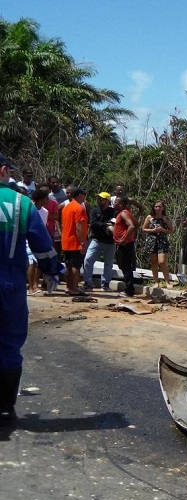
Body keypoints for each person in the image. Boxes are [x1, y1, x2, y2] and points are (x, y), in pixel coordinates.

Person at [0, 152, 58, 425]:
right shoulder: (21, 204)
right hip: (9, 282)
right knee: (9, 344)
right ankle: (4, 407)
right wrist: (52, 272)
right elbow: (43, 248)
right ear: (3, 171)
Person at [82, 192, 116, 291]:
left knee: (108, 263)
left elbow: (114, 223)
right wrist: (106, 225)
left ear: (107, 201)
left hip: (110, 242)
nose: (99, 200)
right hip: (96, 240)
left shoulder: (113, 211)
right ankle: (88, 282)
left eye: (101, 199)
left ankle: (105, 283)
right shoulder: (94, 210)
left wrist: (102, 224)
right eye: (98, 198)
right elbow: (93, 224)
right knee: (88, 260)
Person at [61, 186, 88, 295]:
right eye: (84, 196)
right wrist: (82, 242)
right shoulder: (79, 208)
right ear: (80, 195)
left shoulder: (66, 207)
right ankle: (75, 289)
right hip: (75, 241)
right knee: (76, 266)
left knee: (68, 265)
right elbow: (79, 227)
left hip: (66, 240)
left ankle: (68, 287)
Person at [142, 200, 175, 289]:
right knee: (153, 262)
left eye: (159, 207)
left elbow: (171, 230)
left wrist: (162, 230)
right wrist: (153, 230)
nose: (157, 208)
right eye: (156, 206)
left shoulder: (166, 218)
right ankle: (156, 282)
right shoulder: (149, 217)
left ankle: (167, 282)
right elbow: (144, 229)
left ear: (163, 208)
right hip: (152, 241)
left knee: (162, 262)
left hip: (162, 241)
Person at [112, 196, 138, 297]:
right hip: (126, 243)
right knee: (124, 266)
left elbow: (132, 226)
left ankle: (129, 290)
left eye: (116, 202)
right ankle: (129, 288)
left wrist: (125, 239)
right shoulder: (127, 212)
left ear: (120, 204)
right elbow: (136, 224)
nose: (113, 204)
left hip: (125, 244)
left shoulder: (123, 213)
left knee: (126, 267)